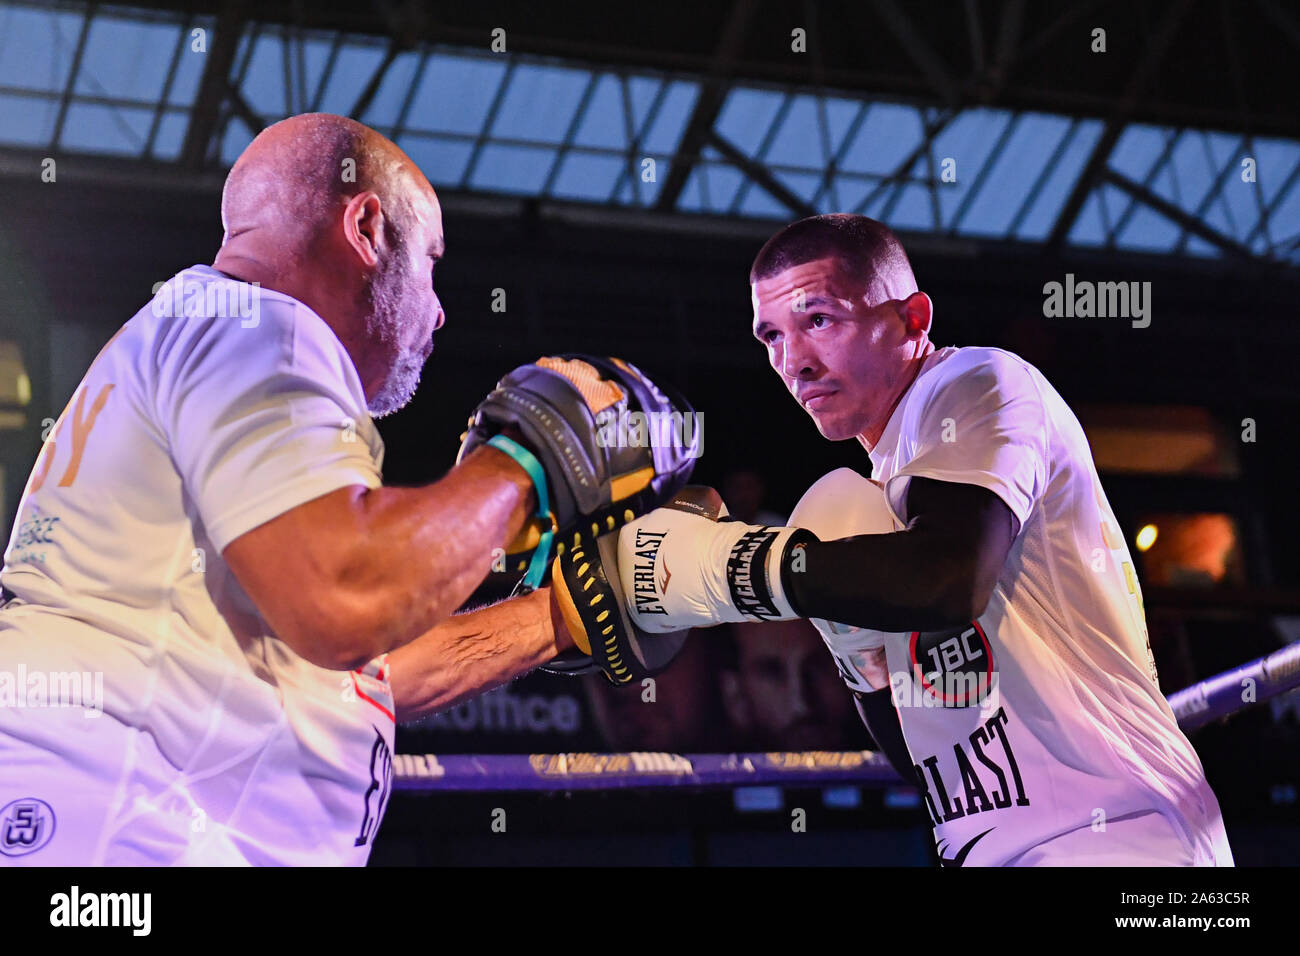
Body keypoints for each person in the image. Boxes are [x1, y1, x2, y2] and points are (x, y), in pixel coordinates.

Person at [0, 113, 686, 865]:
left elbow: (357, 664)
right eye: (429, 262)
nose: (440, 310)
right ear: (366, 226)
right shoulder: (259, 329)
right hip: (119, 834)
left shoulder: (205, 337)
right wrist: (534, 452)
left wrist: (568, 615)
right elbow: (343, 601)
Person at [611, 213, 1234, 866]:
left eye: (819, 320)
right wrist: (859, 657)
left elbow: (947, 579)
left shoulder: (982, 385)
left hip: (1131, 842)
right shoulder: (880, 513)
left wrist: (729, 566)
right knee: (832, 511)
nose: (794, 361)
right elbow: (933, 769)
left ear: (912, 318)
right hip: (995, 850)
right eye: (772, 336)